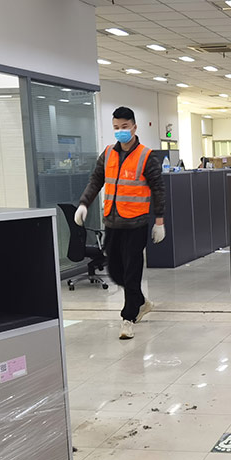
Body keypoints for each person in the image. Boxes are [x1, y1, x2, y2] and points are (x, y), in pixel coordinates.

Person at [75, 106, 166, 340]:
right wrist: (84, 203)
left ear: (134, 127)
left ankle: (128, 318)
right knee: (116, 271)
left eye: (124, 127)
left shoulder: (146, 156)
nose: (120, 131)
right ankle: (142, 302)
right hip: (112, 222)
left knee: (131, 270)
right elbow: (95, 181)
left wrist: (159, 221)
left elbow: (158, 190)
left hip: (136, 223)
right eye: (116, 127)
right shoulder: (107, 154)